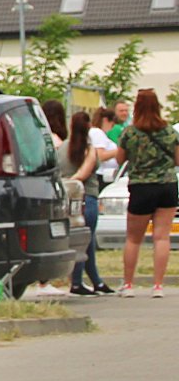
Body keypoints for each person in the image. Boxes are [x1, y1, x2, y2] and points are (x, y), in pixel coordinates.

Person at [114, 89, 179, 298]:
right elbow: (178, 160)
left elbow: (119, 159)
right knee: (161, 237)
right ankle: (158, 286)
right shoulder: (169, 132)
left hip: (141, 187)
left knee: (134, 239)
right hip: (167, 186)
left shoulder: (130, 133)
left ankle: (128, 284)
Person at [60, 110, 112, 295]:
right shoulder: (89, 149)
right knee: (85, 241)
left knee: (82, 241)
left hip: (67, 199)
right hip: (86, 197)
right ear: (89, 126)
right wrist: (73, 183)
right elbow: (84, 173)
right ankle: (77, 282)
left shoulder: (62, 148)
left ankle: (96, 281)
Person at [93, 108, 121, 185]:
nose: (111, 128)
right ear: (105, 120)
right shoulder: (98, 133)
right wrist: (119, 151)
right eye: (112, 125)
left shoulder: (100, 134)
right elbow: (101, 156)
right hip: (103, 175)